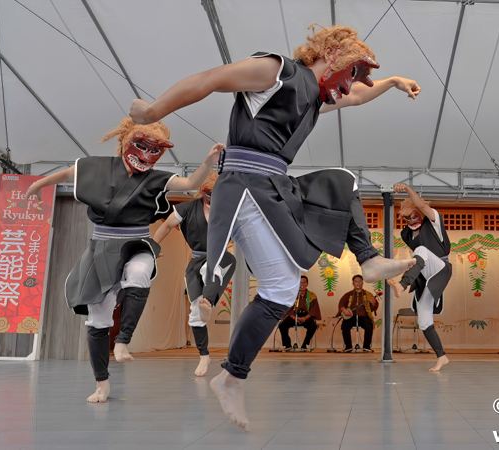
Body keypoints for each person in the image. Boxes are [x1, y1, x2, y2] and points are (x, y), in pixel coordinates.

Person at [129, 25, 420, 430]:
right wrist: (152, 113)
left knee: (335, 194)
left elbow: (355, 98)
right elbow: (209, 79)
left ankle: (232, 375)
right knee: (282, 283)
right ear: (332, 54)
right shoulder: (277, 70)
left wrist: (392, 82)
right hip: (246, 184)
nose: (352, 84)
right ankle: (233, 374)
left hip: (275, 187)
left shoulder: (315, 98)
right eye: (353, 72)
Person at [26, 118, 222, 403]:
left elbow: (191, 184)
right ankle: (102, 384)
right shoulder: (98, 166)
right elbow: (69, 173)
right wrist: (39, 183)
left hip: (137, 243)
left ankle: (123, 340)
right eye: (141, 146)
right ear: (126, 143)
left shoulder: (156, 178)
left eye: (155, 150)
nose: (147, 154)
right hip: (102, 247)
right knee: (98, 318)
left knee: (140, 272)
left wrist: (207, 162)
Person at [153, 172, 236, 377]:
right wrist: (152, 247)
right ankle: (204, 355)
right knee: (195, 313)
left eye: (217, 193)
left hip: (221, 257)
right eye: (208, 193)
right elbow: (166, 225)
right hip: (196, 259)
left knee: (211, 269)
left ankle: (208, 300)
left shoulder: (229, 209)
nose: (212, 198)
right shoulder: (187, 209)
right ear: (201, 190)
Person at [387, 183, 451, 372]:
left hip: (440, 267)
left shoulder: (434, 222)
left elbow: (422, 206)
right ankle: (442, 357)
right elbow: (417, 260)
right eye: (407, 217)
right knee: (424, 321)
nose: (411, 220)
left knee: (421, 250)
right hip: (425, 276)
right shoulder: (407, 234)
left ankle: (402, 285)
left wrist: (407, 188)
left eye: (414, 215)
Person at [278, 276, 321, 349]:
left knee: (313, 326)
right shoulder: (292, 294)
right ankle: (287, 345)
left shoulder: (312, 295)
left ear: (307, 284)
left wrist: (305, 318)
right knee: (282, 325)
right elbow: (288, 307)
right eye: (300, 282)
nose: (302, 284)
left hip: (306, 316)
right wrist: (293, 317)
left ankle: (304, 345)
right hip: (294, 315)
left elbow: (314, 309)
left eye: (304, 282)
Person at [338, 275, 379, 351]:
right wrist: (344, 310)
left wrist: (373, 303)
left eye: (360, 281)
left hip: (363, 317)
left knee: (369, 325)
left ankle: (366, 347)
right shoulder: (348, 294)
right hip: (351, 317)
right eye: (356, 281)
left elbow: (373, 307)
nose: (358, 283)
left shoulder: (368, 294)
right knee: (345, 325)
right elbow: (341, 304)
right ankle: (348, 347)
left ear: (362, 283)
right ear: (353, 283)